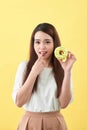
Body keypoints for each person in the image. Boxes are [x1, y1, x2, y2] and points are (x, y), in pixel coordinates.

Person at [12, 23, 76, 130]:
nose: (42, 47)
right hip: (30, 122)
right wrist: (33, 72)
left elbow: (64, 104)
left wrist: (67, 71)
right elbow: (19, 102)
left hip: (55, 123)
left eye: (47, 42)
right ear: (33, 44)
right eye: (37, 42)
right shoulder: (24, 67)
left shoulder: (62, 68)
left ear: (54, 44)